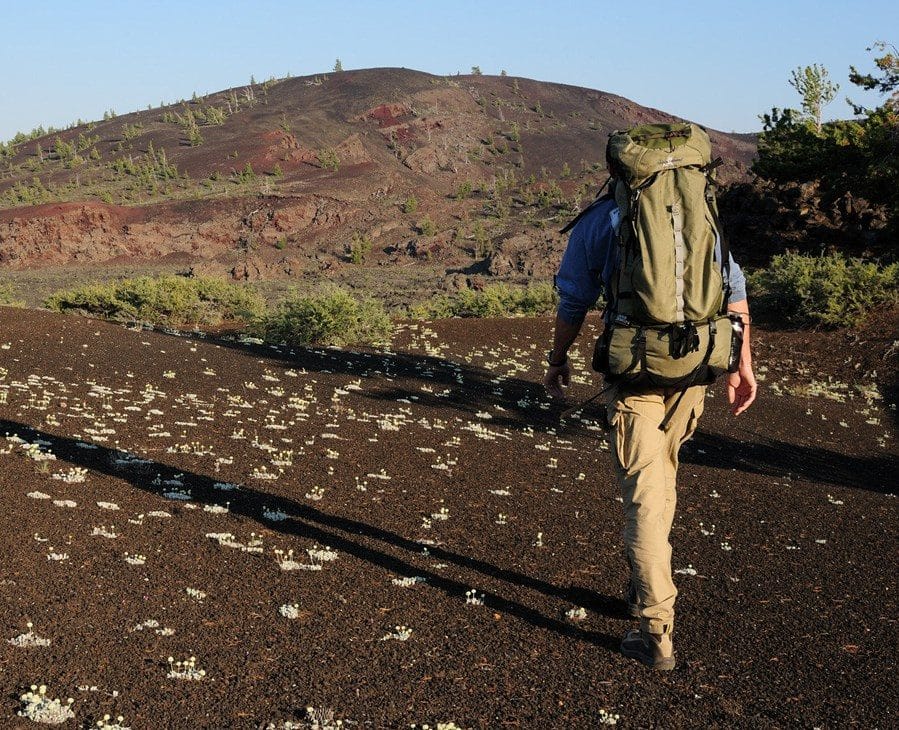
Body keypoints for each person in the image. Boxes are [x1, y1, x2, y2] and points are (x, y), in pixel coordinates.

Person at [543, 193, 757, 670]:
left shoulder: (600, 219)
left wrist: (557, 362)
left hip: (634, 371)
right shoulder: (698, 207)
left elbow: (574, 298)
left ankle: (655, 629)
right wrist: (743, 366)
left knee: (643, 493)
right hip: (695, 368)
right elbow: (734, 288)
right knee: (664, 474)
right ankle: (645, 586)